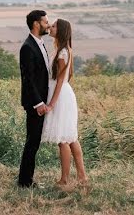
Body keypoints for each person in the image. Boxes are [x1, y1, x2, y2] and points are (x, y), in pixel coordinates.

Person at [40, 18, 88, 189]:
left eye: (53, 26)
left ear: (60, 31)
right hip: (62, 93)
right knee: (70, 136)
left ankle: (65, 179)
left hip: (60, 95)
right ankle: (82, 176)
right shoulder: (60, 49)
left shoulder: (63, 53)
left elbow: (60, 80)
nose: (50, 28)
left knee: (63, 139)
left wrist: (52, 103)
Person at [17, 9, 51, 188]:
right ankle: (25, 182)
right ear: (36, 24)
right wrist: (38, 103)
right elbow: (28, 79)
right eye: (45, 22)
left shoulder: (39, 43)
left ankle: (26, 180)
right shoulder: (27, 47)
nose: (48, 25)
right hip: (34, 103)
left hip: (41, 101)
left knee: (34, 141)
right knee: (32, 142)